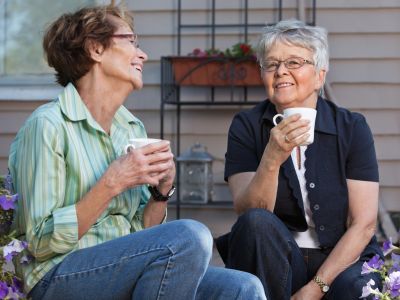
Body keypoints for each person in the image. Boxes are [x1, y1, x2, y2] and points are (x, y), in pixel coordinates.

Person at [8, 5, 266, 300]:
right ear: (95, 48)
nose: (142, 54)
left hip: (123, 267)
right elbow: (40, 242)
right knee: (189, 236)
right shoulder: (48, 125)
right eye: (131, 41)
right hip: (58, 274)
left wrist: (161, 191)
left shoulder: (130, 127)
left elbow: (142, 233)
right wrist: (112, 183)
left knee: (243, 288)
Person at [216, 19, 383, 300]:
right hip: (277, 259)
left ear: (320, 74)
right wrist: (272, 157)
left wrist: (315, 289)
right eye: (271, 64)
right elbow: (248, 213)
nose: (281, 71)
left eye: (294, 62)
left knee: (357, 289)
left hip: (342, 261)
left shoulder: (352, 127)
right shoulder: (247, 126)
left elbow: (363, 223)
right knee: (255, 222)